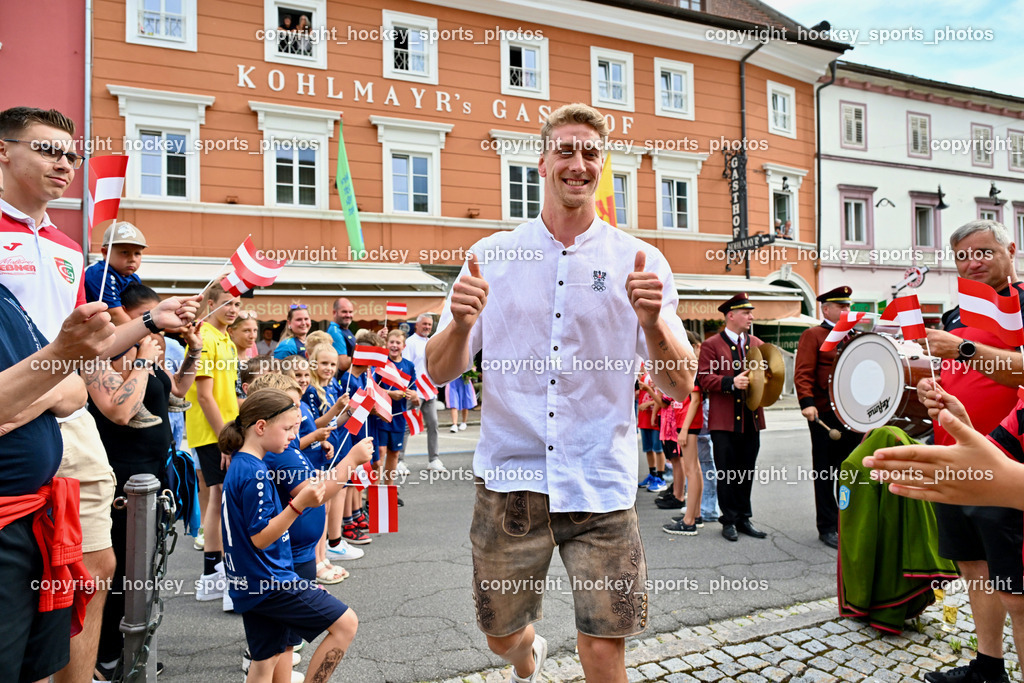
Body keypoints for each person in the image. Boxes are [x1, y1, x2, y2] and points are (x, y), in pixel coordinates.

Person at [425, 103, 694, 683]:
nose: (578, 163)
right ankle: (526, 651)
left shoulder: (640, 261)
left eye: (590, 152)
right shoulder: (492, 255)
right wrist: (461, 324)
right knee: (498, 636)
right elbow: (441, 371)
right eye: (566, 150)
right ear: (542, 160)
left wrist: (652, 322)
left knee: (604, 649)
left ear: (604, 165)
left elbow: (679, 384)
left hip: (601, 483)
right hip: (511, 485)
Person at [0, 106, 201, 683]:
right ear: (5, 151)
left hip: (65, 415)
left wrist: (151, 324)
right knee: (27, 572)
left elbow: (86, 347)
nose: (62, 163)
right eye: (46, 150)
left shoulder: (66, 248)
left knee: (95, 564)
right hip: (14, 420)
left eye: (70, 154)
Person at [912, 219, 1024, 683]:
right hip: (955, 456)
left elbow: (1019, 371)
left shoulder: (1017, 305)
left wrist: (962, 347)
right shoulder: (960, 312)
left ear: (1010, 249)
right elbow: (957, 375)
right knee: (973, 566)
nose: (971, 262)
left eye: (982, 252)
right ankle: (989, 666)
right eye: (961, 255)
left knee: (1016, 586)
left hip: (1005, 463)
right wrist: (931, 389)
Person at [87, 293, 202, 678]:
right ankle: (104, 658)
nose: (157, 326)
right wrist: (140, 360)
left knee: (145, 573)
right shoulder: (102, 360)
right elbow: (120, 411)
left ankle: (129, 651)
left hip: (156, 482)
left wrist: (193, 353)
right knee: (119, 574)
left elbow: (177, 393)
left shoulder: (149, 360)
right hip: (122, 487)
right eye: (145, 319)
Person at [219, 388, 360, 683]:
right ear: (261, 427)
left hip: (254, 580)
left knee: (266, 659)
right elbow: (260, 537)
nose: (293, 436)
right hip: (269, 581)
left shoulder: (244, 463)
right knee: (346, 623)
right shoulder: (254, 472)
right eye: (287, 428)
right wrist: (299, 504)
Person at [793, 286, 864, 550]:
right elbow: (803, 372)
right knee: (825, 472)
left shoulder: (854, 335)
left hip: (852, 413)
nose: (847, 310)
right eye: (841, 307)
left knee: (850, 470)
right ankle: (827, 526)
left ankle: (847, 521)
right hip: (824, 412)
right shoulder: (814, 335)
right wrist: (807, 403)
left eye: (848, 306)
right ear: (826, 309)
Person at [185, 283, 241, 608]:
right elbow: (204, 396)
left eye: (236, 304)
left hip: (226, 431)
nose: (233, 309)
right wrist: (226, 440)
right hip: (213, 434)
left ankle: (214, 573)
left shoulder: (225, 338)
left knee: (221, 498)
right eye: (227, 303)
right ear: (209, 303)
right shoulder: (205, 337)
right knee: (220, 499)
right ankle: (213, 574)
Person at [698, 294, 767, 543]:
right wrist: (730, 382)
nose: (751, 317)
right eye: (746, 313)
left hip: (751, 419)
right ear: (731, 315)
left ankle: (743, 518)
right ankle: (728, 520)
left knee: (746, 470)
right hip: (724, 422)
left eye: (751, 313)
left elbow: (768, 375)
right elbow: (703, 378)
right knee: (726, 472)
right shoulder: (711, 345)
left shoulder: (757, 343)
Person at [662, 331, 705, 535]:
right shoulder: (691, 365)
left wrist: (685, 429)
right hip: (685, 421)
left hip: (689, 423)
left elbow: (695, 400)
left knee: (691, 470)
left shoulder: (693, 365)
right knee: (693, 468)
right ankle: (695, 514)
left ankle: (689, 521)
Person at [402, 313, 445, 471]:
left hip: (430, 392)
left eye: (429, 324)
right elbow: (406, 368)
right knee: (407, 426)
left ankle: (434, 459)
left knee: (433, 425)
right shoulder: (410, 343)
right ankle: (399, 460)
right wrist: (410, 391)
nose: (427, 327)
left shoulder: (432, 342)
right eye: (424, 324)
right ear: (417, 325)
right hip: (415, 392)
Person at [83, 221, 147, 325]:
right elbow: (115, 315)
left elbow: (141, 309)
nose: (132, 259)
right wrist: (145, 337)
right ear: (105, 252)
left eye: (137, 253)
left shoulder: (134, 278)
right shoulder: (100, 275)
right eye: (125, 252)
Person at [636, 373, 667, 492]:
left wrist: (649, 404)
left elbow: (663, 398)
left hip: (656, 416)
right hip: (644, 417)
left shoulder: (659, 368)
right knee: (648, 449)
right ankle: (652, 474)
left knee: (658, 449)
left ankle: (660, 477)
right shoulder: (642, 368)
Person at [327, 297, 357, 373]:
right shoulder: (335, 331)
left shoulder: (344, 329)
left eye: (350, 312)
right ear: (334, 313)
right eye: (344, 312)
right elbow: (342, 363)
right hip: (343, 381)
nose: (348, 315)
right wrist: (364, 357)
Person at [446, 362, 477, 432]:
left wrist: (470, 374)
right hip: (453, 382)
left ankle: (464, 422)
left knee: (465, 403)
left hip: (464, 382)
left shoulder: (468, 357)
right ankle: (454, 424)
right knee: (453, 403)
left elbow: (472, 368)